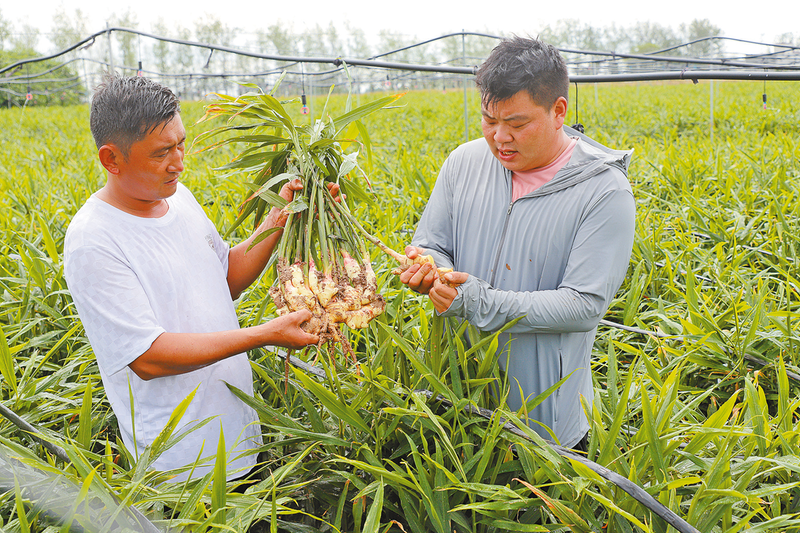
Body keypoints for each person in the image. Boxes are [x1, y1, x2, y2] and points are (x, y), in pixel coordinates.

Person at [64, 74, 320, 481]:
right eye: (162, 152)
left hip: (240, 434)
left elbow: (226, 277)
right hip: (184, 464)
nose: (179, 162)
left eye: (181, 143)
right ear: (111, 159)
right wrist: (264, 334)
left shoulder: (176, 196)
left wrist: (280, 217)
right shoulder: (93, 241)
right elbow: (147, 357)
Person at [400, 37, 635, 449]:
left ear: (558, 111)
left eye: (518, 124)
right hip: (458, 403)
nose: (499, 138)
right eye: (490, 121)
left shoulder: (604, 192)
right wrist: (427, 267)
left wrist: (480, 302)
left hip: (544, 422)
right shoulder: (464, 162)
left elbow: (583, 304)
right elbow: (432, 242)